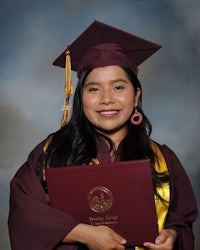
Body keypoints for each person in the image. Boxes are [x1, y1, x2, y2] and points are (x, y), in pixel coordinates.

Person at [8, 20, 197, 250]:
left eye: (118, 87)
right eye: (94, 89)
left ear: (136, 95)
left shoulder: (162, 159)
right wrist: (82, 233)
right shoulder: (51, 151)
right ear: (81, 98)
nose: (106, 99)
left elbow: (182, 220)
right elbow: (24, 212)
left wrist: (172, 235)